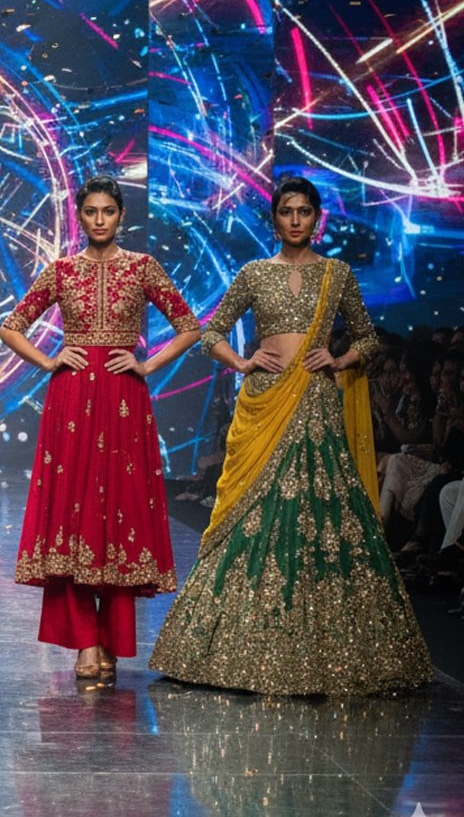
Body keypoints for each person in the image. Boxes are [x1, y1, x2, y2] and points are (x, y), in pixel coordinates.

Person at [149, 175, 434, 694]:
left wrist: (340, 359)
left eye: (304, 211)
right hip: (266, 403)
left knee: (321, 512)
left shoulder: (336, 273)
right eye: (287, 211)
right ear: (275, 218)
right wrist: (242, 362)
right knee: (256, 510)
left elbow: (368, 337)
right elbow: (211, 332)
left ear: (316, 218)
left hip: (317, 403)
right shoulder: (255, 273)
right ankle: (238, 645)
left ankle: (327, 649)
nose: (296, 220)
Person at [0, 174, 200, 678]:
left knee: (118, 513)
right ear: (80, 216)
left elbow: (189, 326)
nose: (100, 220)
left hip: (123, 399)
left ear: (121, 215)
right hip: (70, 401)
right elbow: (10, 327)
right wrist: (49, 362)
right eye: (91, 212)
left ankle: (110, 639)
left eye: (108, 211)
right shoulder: (62, 270)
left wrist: (147, 365)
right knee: (74, 513)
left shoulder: (142, 267)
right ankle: (86, 644)